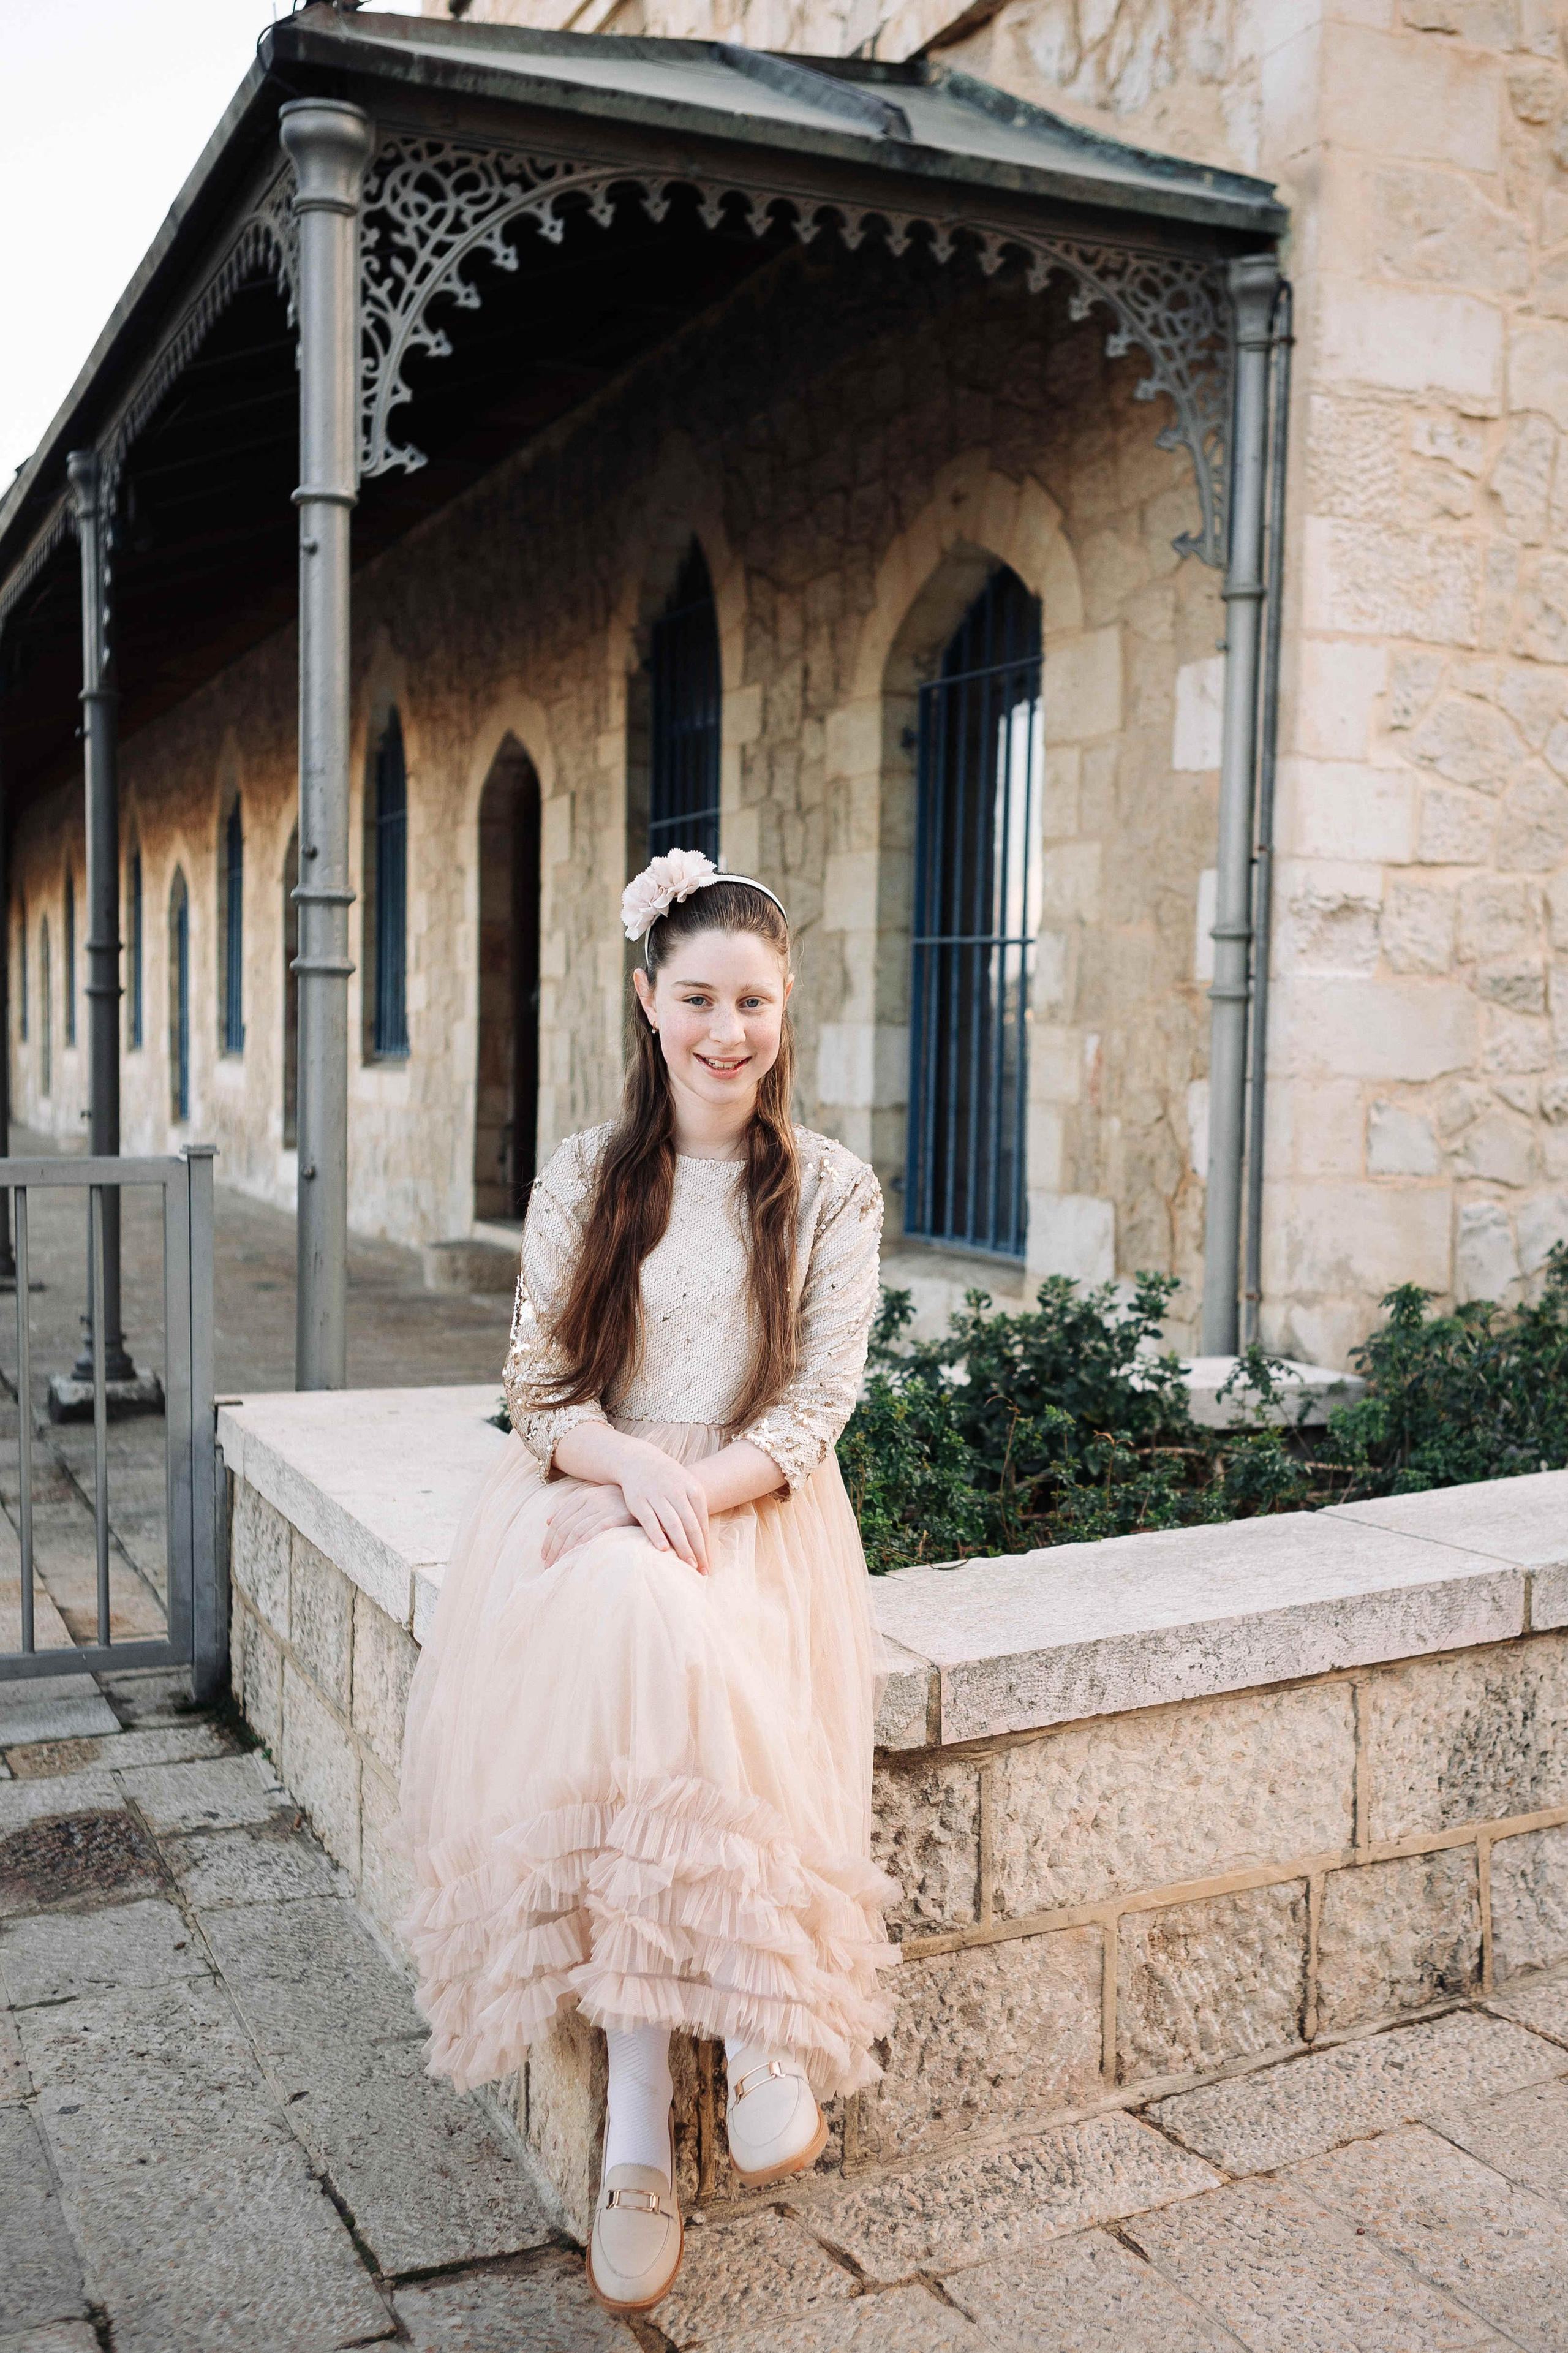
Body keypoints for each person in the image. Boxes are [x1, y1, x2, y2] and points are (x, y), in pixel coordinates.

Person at [398, 847, 899, 2316]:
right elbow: (539, 1389)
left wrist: (673, 1500)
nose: (726, 1030)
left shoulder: (830, 1192)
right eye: (696, 997)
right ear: (645, 999)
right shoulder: (585, 1176)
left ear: (785, 1003)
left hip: (755, 1509)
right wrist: (627, 1484)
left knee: (653, 1611)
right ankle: (645, 2130)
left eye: (752, 999)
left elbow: (813, 1413)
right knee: (629, 1618)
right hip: (590, 1499)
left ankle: (744, 2044)